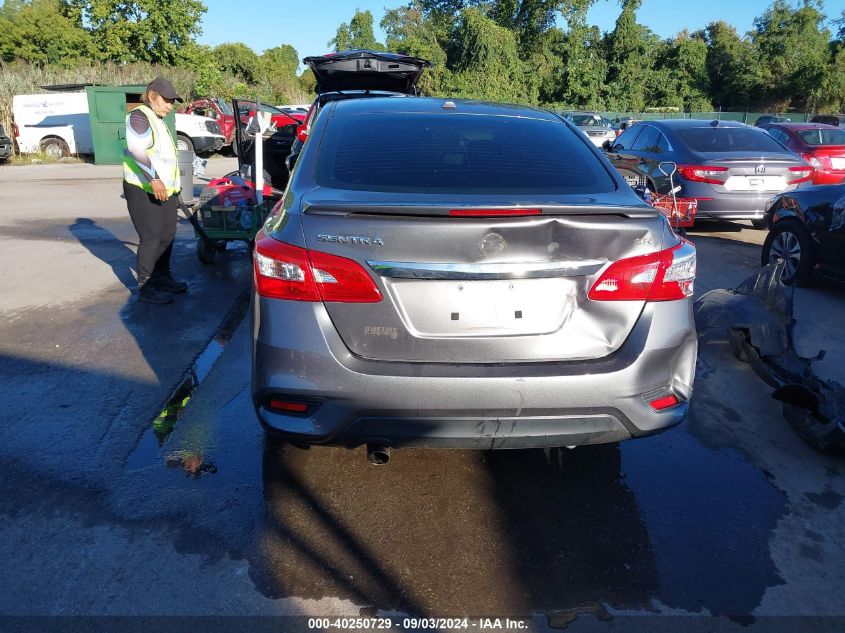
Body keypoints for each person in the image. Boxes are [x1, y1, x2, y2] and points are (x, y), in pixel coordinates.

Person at [123, 76, 188, 304]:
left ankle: (162, 277)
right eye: (167, 100)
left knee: (167, 235)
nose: (170, 105)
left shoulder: (159, 119)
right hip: (144, 188)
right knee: (151, 237)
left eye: (173, 101)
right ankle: (146, 285)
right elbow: (136, 150)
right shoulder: (139, 117)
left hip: (166, 190)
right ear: (152, 96)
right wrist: (154, 179)